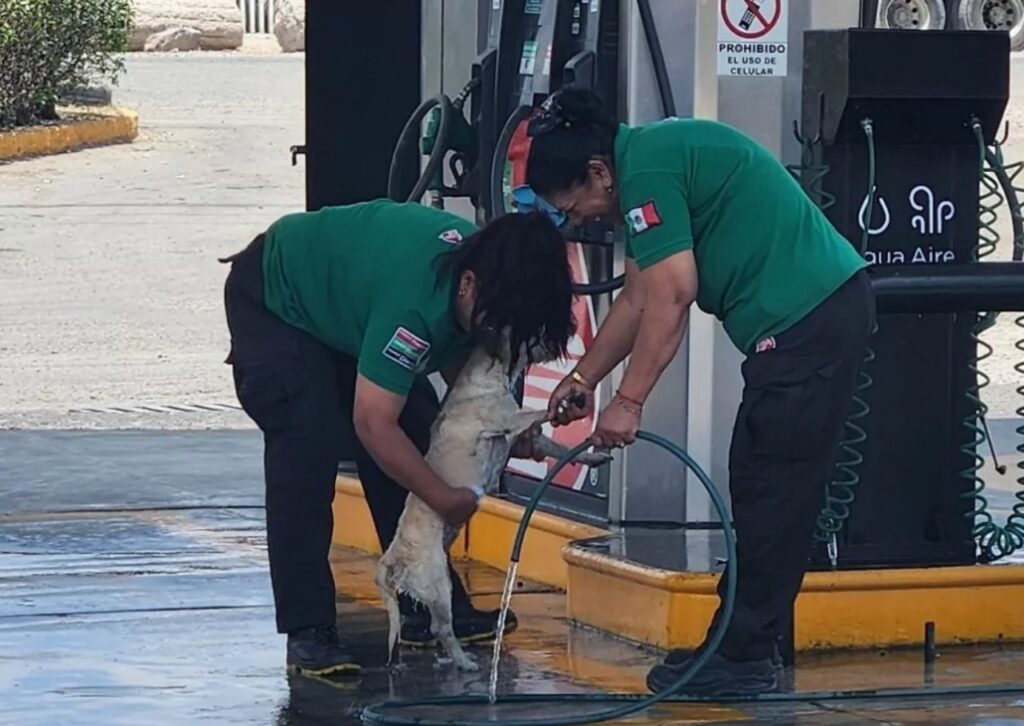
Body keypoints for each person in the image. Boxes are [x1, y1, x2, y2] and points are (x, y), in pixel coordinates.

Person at [524, 87, 876, 696]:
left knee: (770, 489)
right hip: (807, 321)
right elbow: (636, 296)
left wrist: (629, 403)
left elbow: (672, 294)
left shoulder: (652, 167)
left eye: (570, 204)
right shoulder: (646, 168)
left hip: (808, 320)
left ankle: (742, 657)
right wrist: (584, 380)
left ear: (599, 172)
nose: (573, 220)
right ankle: (745, 644)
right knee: (763, 484)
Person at [221, 200, 575, 676]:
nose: (497, 340)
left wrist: (510, 431)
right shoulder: (414, 306)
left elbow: (465, 388)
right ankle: (308, 631)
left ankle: (422, 607)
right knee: (307, 444)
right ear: (468, 286)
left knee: (418, 430)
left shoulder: (488, 278)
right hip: (278, 298)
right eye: (495, 328)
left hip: (349, 310)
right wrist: (443, 498)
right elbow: (372, 423)